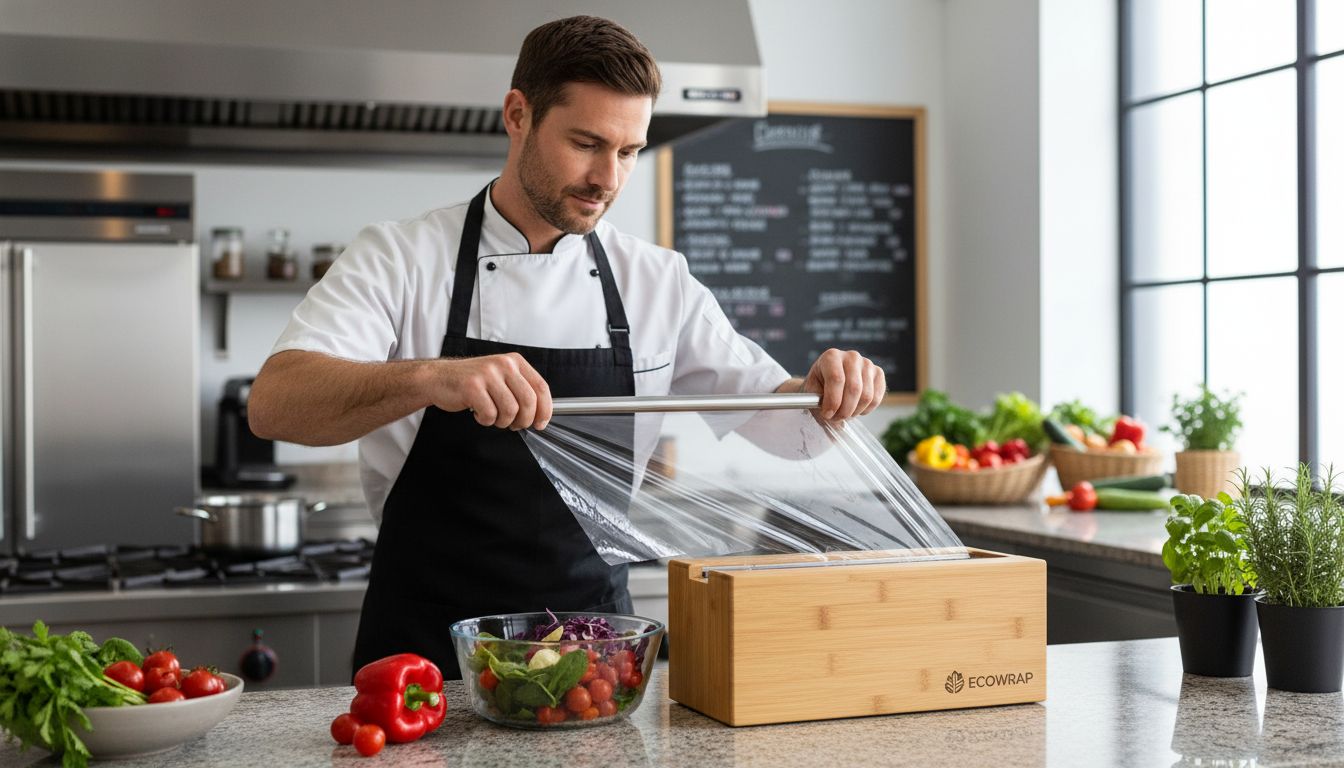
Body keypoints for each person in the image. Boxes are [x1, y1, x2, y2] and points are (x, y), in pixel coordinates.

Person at [248, 15, 885, 679]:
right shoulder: (401, 257)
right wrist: (429, 378)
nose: (607, 177)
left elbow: (789, 428)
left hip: (591, 660)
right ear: (518, 114)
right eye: (586, 143)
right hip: (423, 660)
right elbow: (276, 404)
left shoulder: (657, 282)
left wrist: (830, 388)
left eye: (629, 152)